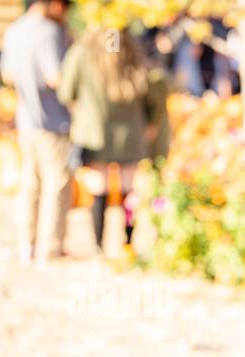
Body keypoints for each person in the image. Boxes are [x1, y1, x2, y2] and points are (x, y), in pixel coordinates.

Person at [57, 25, 168, 254]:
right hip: (131, 133)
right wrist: (152, 123)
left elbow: (66, 92)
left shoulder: (82, 52)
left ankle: (99, 245)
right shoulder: (131, 50)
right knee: (128, 188)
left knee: (99, 186)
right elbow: (152, 86)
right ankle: (127, 243)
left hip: (95, 133)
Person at [0, 0, 73, 263]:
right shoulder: (50, 32)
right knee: (57, 183)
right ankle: (51, 246)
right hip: (53, 120)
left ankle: (26, 245)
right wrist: (77, 101)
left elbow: (7, 74)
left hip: (25, 119)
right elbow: (55, 76)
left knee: (29, 183)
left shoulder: (14, 29)